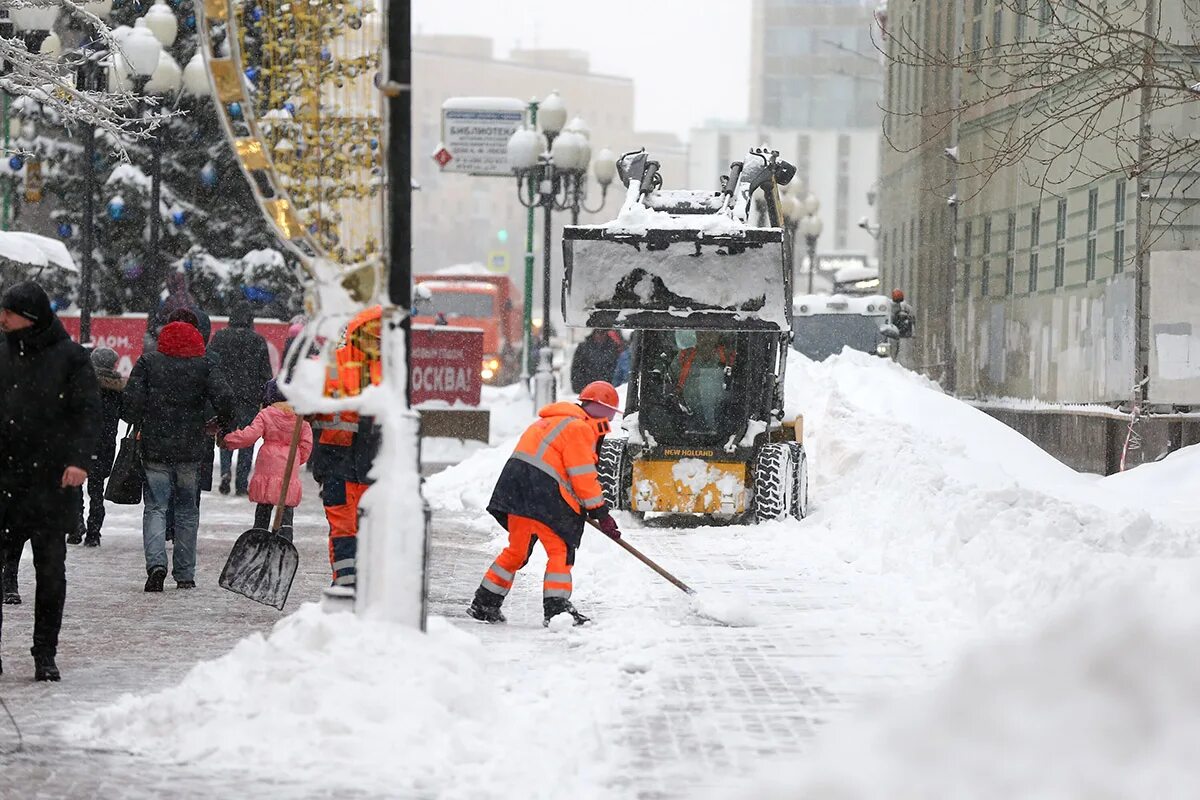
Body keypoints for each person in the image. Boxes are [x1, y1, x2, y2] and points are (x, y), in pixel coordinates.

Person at [0, 281, 99, 681]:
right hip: (4, 480)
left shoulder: (71, 358)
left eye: (7, 311)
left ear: (31, 317)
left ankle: (45, 653)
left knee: (50, 574)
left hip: (50, 485)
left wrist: (79, 461)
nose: (1, 318)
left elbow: (88, 414)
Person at [468, 380, 623, 627]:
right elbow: (583, 475)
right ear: (600, 409)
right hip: (544, 495)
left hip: (516, 492)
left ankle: (485, 603)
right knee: (560, 553)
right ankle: (557, 610)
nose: (610, 422)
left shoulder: (550, 420)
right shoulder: (579, 429)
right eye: (610, 415)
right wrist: (601, 513)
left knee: (516, 551)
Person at [123, 317, 233, 592]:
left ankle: (156, 565)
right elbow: (226, 398)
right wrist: (223, 423)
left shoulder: (149, 363)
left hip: (155, 447)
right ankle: (185, 573)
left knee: (156, 507)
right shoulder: (205, 365)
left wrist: (142, 419)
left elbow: (130, 404)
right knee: (187, 510)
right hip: (190, 448)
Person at [310, 306, 383, 593]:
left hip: (360, 463)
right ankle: (346, 582)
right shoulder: (332, 367)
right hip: (343, 461)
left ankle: (353, 582)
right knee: (345, 525)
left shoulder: (385, 371)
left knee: (361, 528)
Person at [223, 379, 313, 540]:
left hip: (268, 464)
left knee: (264, 504)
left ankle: (259, 536)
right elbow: (306, 445)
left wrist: (229, 440)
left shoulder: (266, 415)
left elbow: (250, 435)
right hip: (289, 466)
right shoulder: (300, 419)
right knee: (286, 507)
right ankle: (285, 538)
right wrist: (296, 460)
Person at [208, 303, 273, 495]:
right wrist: (263, 395)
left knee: (226, 433)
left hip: (225, 394)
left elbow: (211, 364)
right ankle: (242, 482)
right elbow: (265, 373)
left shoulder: (220, 337)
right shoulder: (258, 340)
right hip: (249, 397)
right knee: (248, 439)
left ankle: (225, 471)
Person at [71, 347, 124, 547]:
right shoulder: (118, 389)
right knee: (96, 489)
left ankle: (76, 525)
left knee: (75, 487)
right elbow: (127, 413)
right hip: (105, 444)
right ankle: (94, 532)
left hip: (80, 443)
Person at [570, 329, 624, 394]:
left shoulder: (613, 348)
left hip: (607, 391)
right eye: (598, 332)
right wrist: (580, 387)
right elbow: (576, 368)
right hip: (587, 390)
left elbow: (616, 369)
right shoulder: (583, 347)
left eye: (603, 332)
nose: (601, 335)